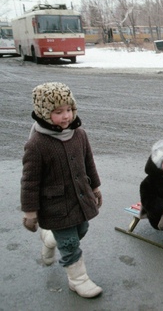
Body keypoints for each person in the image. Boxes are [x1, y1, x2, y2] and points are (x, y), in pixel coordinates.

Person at [20, 82, 103, 298]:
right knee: (69, 242)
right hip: (55, 204)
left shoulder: (79, 134)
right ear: (44, 113)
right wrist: (30, 212)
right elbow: (30, 181)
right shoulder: (37, 144)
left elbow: (88, 162)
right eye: (58, 112)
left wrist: (95, 187)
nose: (66, 116)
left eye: (69, 110)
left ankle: (49, 239)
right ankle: (79, 280)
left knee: (81, 230)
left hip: (80, 197)